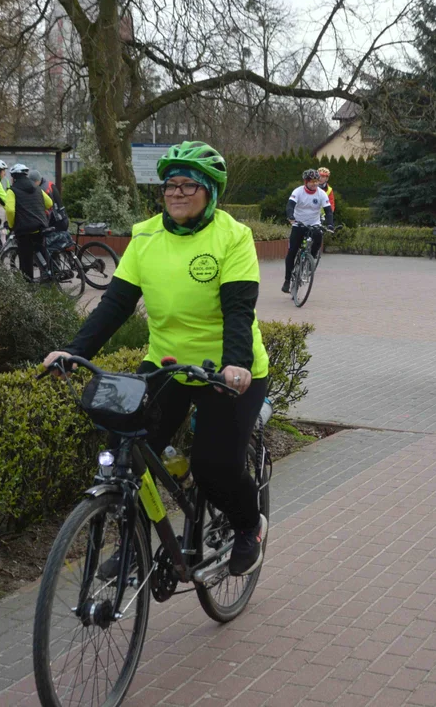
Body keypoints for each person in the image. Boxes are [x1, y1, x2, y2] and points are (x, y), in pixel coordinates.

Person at [41, 141, 269, 576]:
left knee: (213, 465)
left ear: (210, 193)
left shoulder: (232, 236)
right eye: (170, 185)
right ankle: (134, 545)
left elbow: (239, 310)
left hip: (229, 371)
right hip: (167, 365)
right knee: (124, 446)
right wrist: (74, 351)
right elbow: (116, 305)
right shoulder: (145, 235)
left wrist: (235, 363)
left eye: (189, 185)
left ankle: (247, 526)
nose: (177, 193)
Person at [283, 168, 334, 293]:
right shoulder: (298, 192)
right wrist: (290, 216)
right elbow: (290, 205)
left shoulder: (321, 193)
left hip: (314, 223)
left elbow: (328, 211)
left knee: (318, 236)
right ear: (306, 181)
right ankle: (287, 280)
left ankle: (311, 258)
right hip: (298, 224)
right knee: (292, 252)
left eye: (316, 181)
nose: (315, 184)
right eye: (312, 181)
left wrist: (330, 224)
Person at [3, 163, 53, 280]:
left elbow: (10, 210)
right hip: (39, 227)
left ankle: (28, 284)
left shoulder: (12, 191)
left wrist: (11, 225)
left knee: (26, 260)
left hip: (24, 230)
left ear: (14, 177)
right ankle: (47, 280)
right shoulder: (37, 188)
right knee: (41, 254)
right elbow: (49, 203)